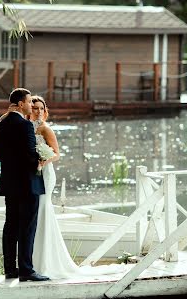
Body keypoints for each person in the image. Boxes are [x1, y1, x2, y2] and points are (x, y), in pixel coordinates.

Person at [30, 95, 126, 280]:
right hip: (33, 172)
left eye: (41, 108)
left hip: (45, 173)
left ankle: (46, 263)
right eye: (35, 108)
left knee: (43, 209)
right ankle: (35, 260)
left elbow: (57, 154)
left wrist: (43, 161)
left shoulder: (45, 129)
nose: (39, 111)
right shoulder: (26, 127)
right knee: (36, 212)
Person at [0, 88, 50, 282]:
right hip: (28, 183)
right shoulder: (25, 126)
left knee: (10, 226)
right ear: (20, 104)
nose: (30, 105)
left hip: (10, 182)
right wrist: (40, 159)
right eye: (28, 102)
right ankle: (26, 270)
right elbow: (30, 155)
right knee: (27, 227)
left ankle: (10, 269)